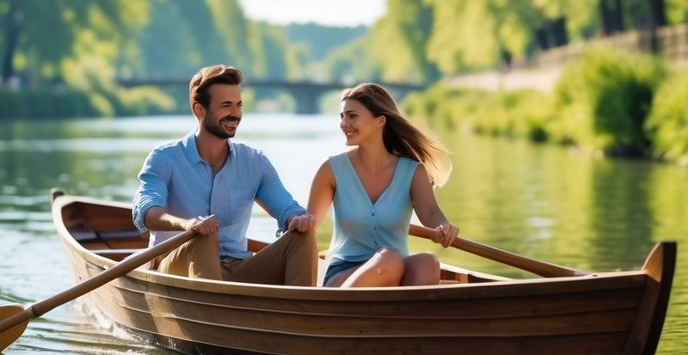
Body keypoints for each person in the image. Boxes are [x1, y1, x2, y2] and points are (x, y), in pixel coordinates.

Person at [132, 64, 317, 285]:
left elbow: (286, 207)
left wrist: (298, 217)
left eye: (238, 105)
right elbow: (146, 211)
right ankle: (211, 313)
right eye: (226, 105)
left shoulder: (255, 162)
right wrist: (187, 224)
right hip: (176, 269)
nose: (235, 113)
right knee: (204, 234)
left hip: (237, 270)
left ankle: (299, 316)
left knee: (302, 236)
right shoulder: (164, 157)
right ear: (200, 110)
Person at [307, 82, 459, 287]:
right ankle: (337, 311)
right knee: (390, 260)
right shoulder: (331, 170)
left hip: (394, 271)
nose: (344, 123)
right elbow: (309, 229)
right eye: (342, 116)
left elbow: (432, 214)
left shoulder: (413, 171)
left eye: (352, 116)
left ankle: (403, 318)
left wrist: (444, 227)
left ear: (380, 121)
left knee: (428, 262)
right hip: (344, 275)